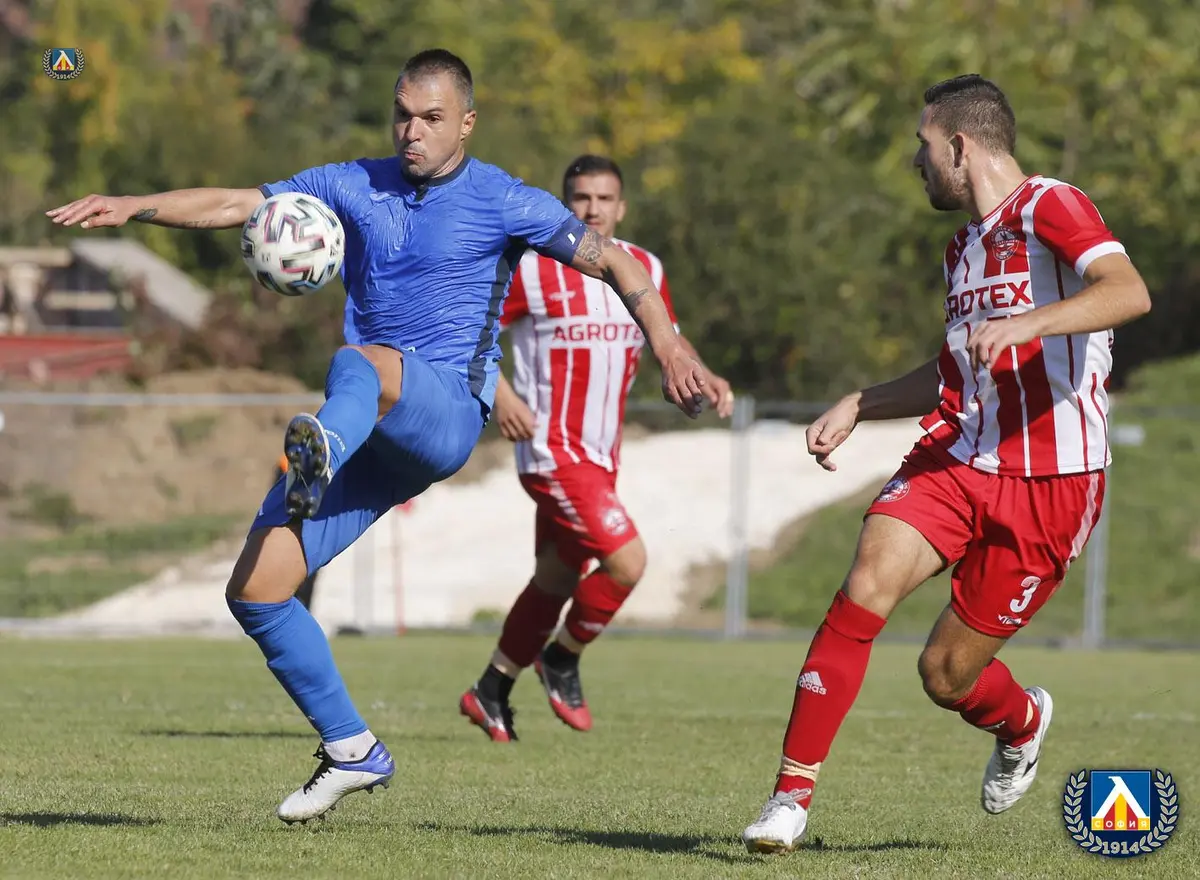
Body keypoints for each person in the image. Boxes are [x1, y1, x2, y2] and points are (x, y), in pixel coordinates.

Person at [47, 49, 708, 825]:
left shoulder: (504, 199)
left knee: (361, 362)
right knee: (257, 591)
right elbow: (238, 202)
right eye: (402, 115)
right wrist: (135, 205)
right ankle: (351, 748)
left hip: (444, 412)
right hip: (373, 425)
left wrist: (670, 345)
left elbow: (617, 264)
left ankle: (321, 450)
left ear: (466, 123)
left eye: (431, 118)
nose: (411, 131)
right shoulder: (352, 183)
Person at [741, 74, 1151, 853]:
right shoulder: (962, 249)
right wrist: (859, 402)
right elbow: (953, 371)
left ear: (959, 146)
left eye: (922, 145)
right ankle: (789, 799)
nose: (916, 161)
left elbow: (1127, 292)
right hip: (958, 455)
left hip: (1052, 484)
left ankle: (1022, 721)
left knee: (945, 675)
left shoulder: (1051, 205)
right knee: (864, 585)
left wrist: (1030, 322)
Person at [458, 155, 734, 742]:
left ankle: (491, 689)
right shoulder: (533, 269)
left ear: (621, 207)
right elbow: (470, 333)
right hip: (551, 451)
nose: (592, 209)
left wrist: (704, 374)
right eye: (581, 198)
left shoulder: (644, 268)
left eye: (604, 199)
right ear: (564, 204)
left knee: (556, 578)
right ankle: (561, 657)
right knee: (627, 562)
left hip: (602, 457)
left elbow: (670, 339)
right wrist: (501, 395)